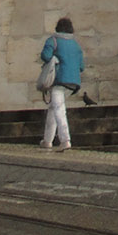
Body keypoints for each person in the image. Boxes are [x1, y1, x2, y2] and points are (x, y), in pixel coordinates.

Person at [39, 16, 83, 151]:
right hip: (73, 83)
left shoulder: (52, 40)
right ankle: (47, 140)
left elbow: (45, 56)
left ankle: (65, 140)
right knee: (53, 108)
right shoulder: (76, 44)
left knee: (59, 109)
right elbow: (82, 66)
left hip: (59, 80)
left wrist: (54, 58)